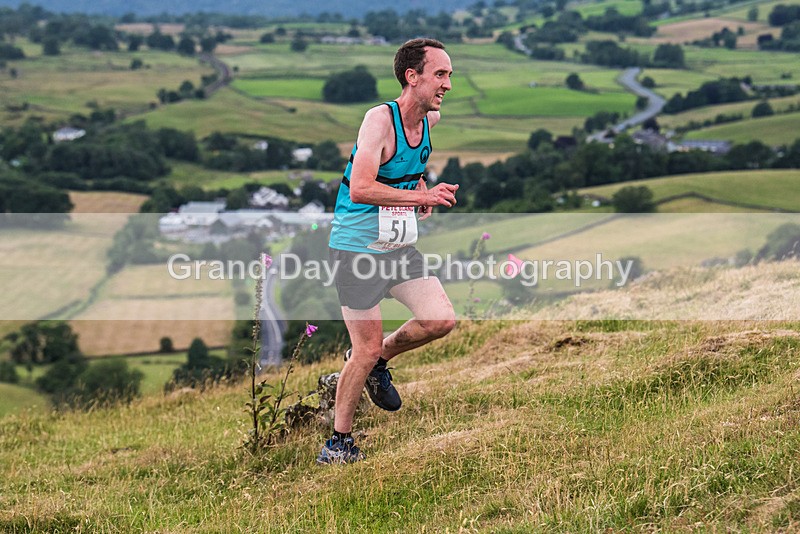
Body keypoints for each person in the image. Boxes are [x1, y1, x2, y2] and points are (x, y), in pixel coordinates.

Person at [317, 38, 459, 465]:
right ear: (412, 77)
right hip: (356, 249)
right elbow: (360, 188)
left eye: (449, 75)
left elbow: (406, 170)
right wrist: (422, 198)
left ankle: (380, 360)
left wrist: (420, 186)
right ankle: (338, 444)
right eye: (440, 74)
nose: (447, 84)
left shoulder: (430, 119)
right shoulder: (379, 120)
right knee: (364, 347)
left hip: (395, 245)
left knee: (440, 320)